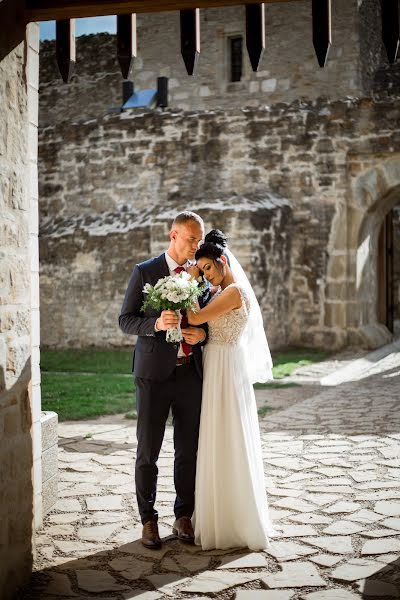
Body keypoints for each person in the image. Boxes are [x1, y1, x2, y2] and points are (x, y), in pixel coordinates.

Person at [119, 211, 209, 549]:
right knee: (148, 451)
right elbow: (126, 320)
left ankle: (183, 515)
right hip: (153, 376)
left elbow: (210, 321)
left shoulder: (200, 276)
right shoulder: (145, 271)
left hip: (189, 374)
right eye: (191, 239)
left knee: (188, 449)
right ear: (173, 236)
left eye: (199, 240)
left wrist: (201, 335)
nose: (196, 246)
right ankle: (148, 520)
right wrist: (155, 325)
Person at [187, 229, 276, 550]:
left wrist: (189, 277)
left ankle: (235, 520)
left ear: (223, 262)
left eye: (208, 268)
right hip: (215, 362)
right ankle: (214, 512)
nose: (206, 274)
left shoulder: (235, 291)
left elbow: (195, 316)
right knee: (215, 437)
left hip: (227, 368)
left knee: (229, 436)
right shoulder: (216, 292)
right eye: (203, 269)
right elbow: (206, 326)